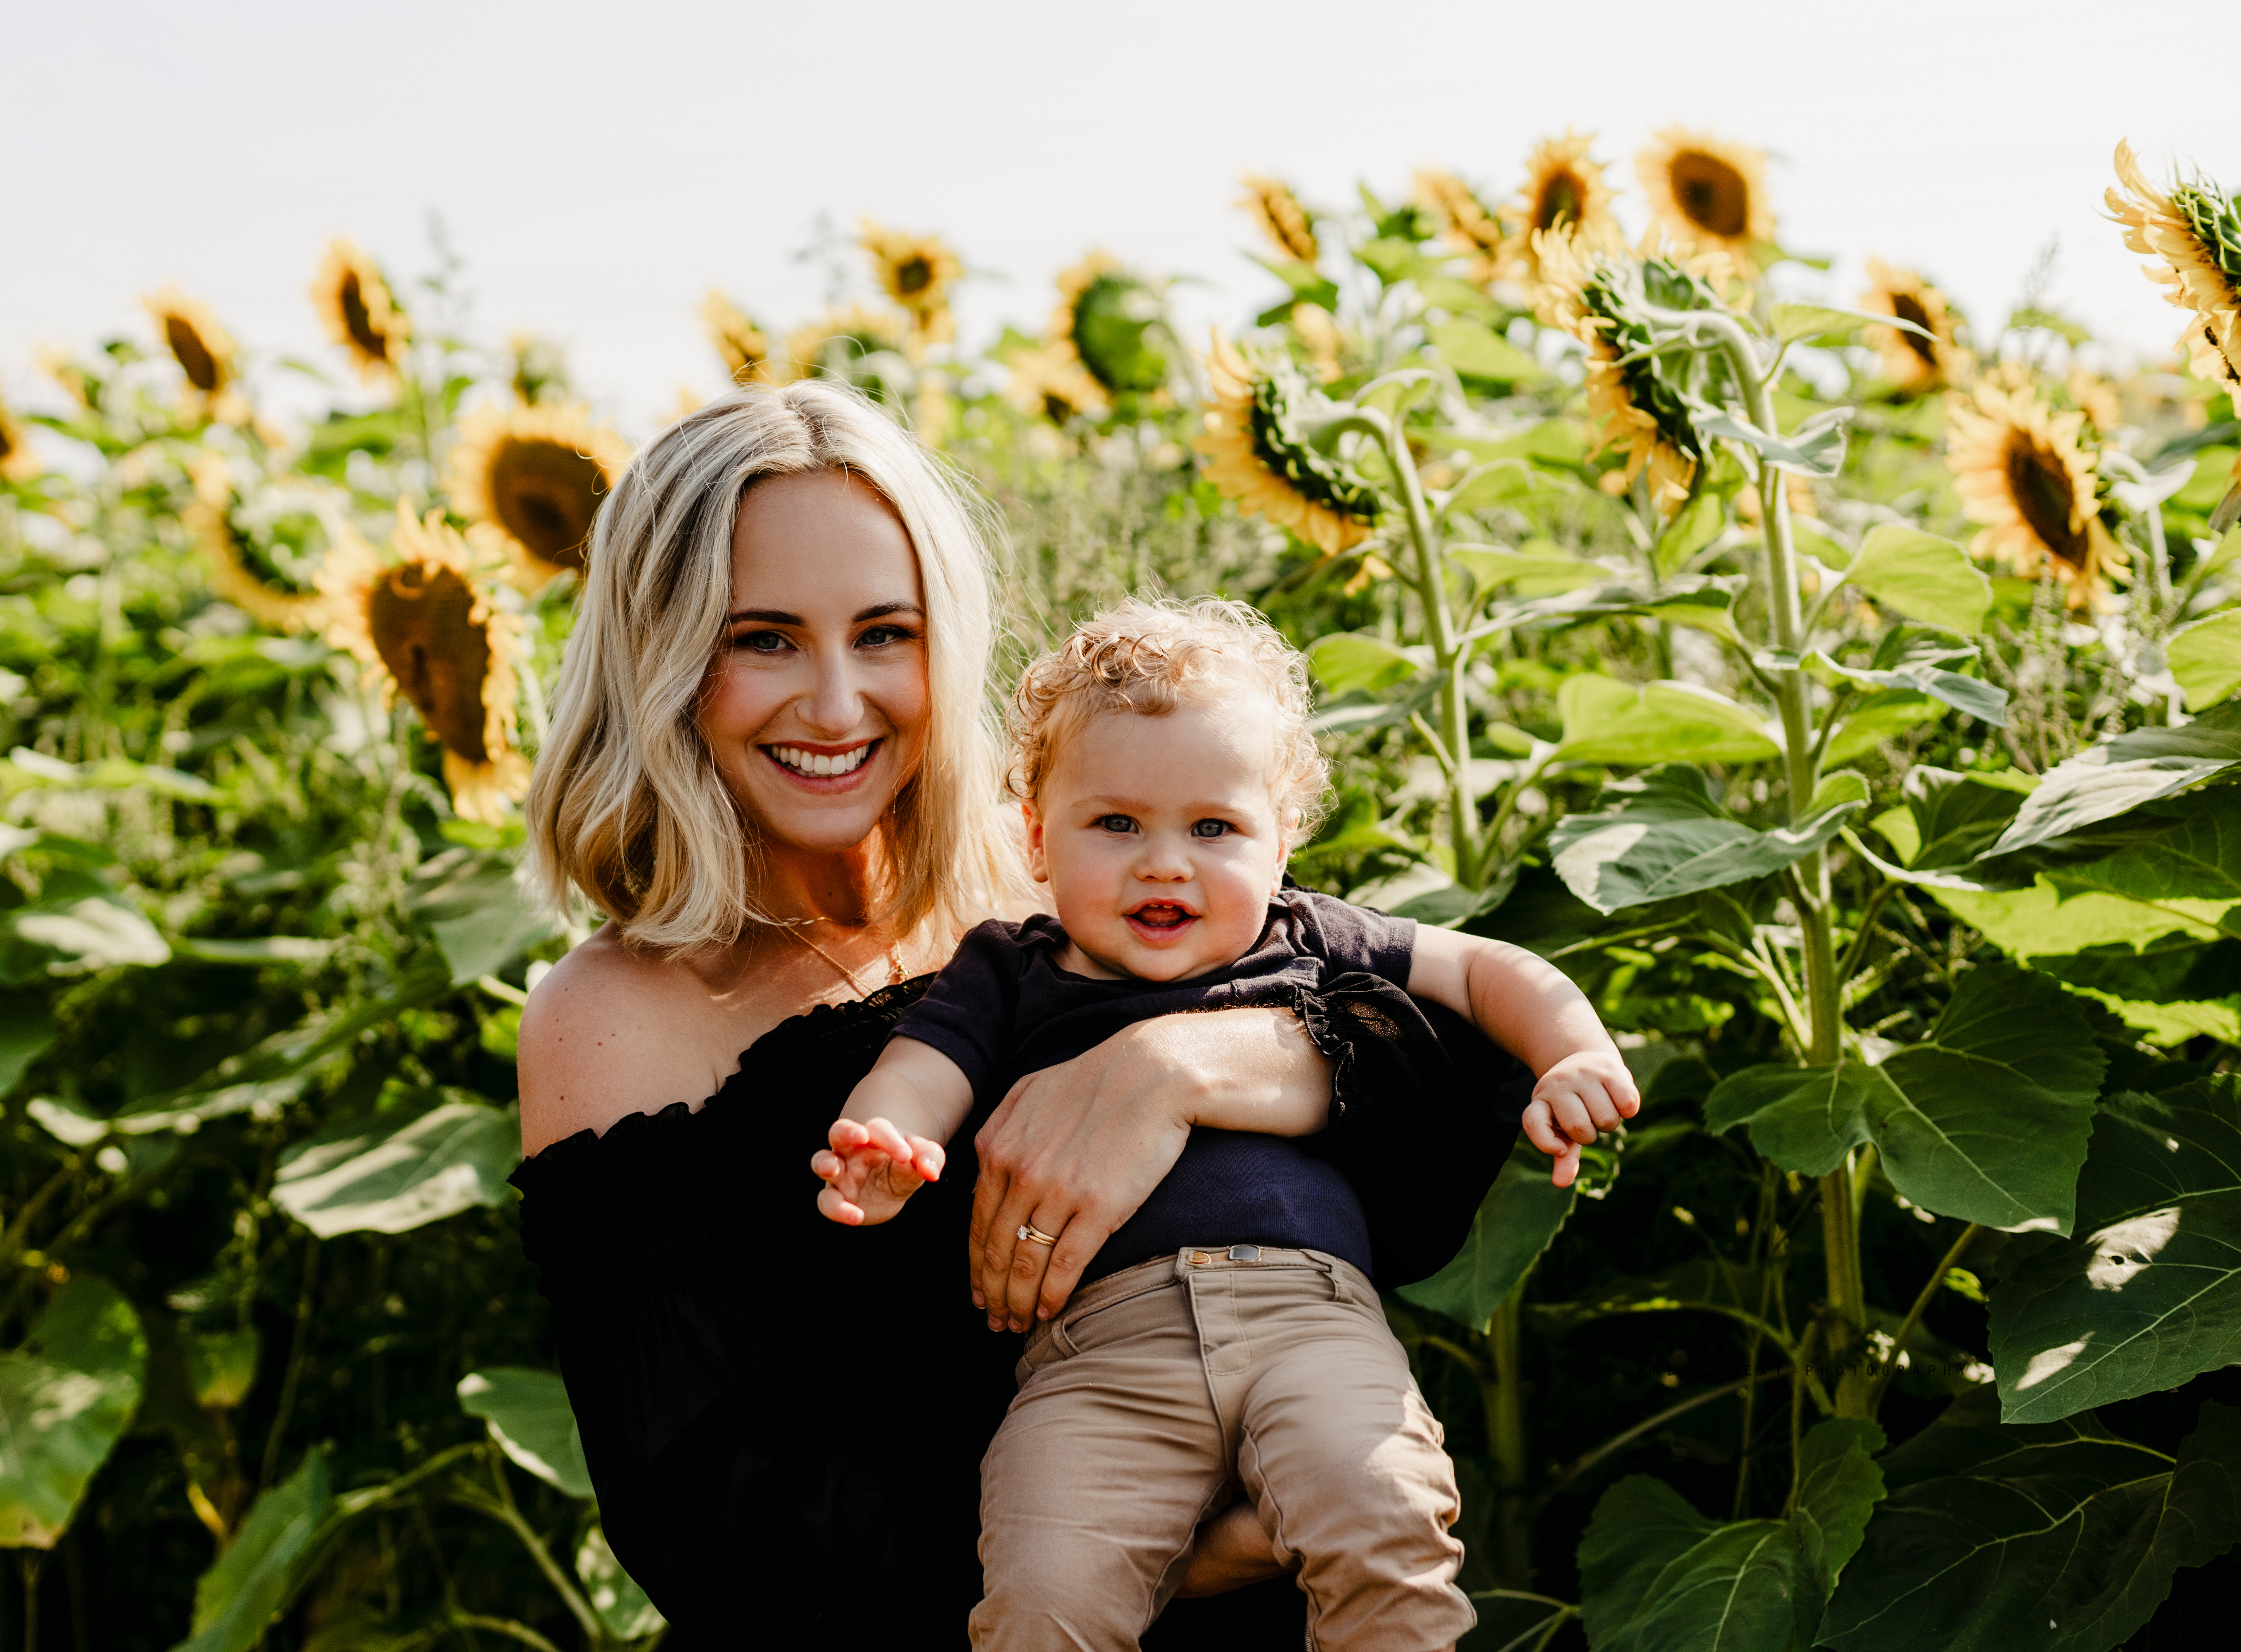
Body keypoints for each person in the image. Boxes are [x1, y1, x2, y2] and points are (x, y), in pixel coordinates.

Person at [513, 381, 1546, 1650]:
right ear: (661, 656)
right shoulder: (615, 1017)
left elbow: (1443, 1137)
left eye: (884, 633)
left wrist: (1186, 1065)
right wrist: (1167, 1549)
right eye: (763, 638)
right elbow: (718, 1528)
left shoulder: (1079, 869)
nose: (837, 706)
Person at [813, 598, 1638, 1649]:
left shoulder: (1308, 937)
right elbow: (920, 1068)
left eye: (1214, 827)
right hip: (1094, 1358)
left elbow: (1483, 965)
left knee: (1384, 1513)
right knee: (1043, 1589)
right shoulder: (1009, 969)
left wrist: (1572, 1049)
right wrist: (884, 1138)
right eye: (1116, 823)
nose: (1166, 862)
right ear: (1035, 835)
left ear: (1283, 838)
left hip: (1312, 1319)